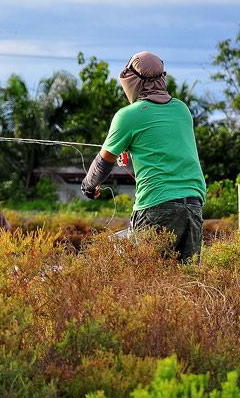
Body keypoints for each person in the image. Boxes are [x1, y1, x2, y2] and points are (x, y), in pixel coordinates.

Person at [80, 51, 206, 263]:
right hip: (193, 206)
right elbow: (163, 145)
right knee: (186, 285)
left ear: (133, 82)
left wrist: (88, 186)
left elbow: (103, 163)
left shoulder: (127, 116)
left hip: (156, 208)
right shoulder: (182, 110)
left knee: (149, 286)